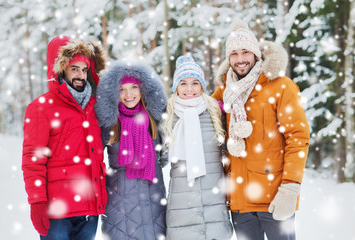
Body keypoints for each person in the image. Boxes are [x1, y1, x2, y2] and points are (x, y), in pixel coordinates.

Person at [212, 20, 310, 240]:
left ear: (256, 53)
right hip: (239, 202)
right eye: (234, 54)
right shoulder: (224, 91)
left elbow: (298, 138)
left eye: (245, 52)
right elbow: (199, 113)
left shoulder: (281, 86)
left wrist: (290, 188)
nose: (240, 59)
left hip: (274, 198)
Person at [22, 35, 107, 240]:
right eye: (74, 68)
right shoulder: (41, 108)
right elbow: (33, 160)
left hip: (90, 211)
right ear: (60, 69)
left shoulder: (96, 107)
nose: (80, 75)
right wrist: (37, 202)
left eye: (84, 69)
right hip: (57, 212)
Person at [95, 60, 168, 239]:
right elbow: (93, 157)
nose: (129, 93)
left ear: (143, 89)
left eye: (134, 87)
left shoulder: (155, 120)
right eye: (122, 89)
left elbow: (166, 156)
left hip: (153, 203)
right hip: (120, 208)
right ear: (114, 93)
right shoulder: (110, 123)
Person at [163, 55, 233, 240]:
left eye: (195, 83)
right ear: (176, 86)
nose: (189, 89)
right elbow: (159, 158)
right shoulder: (168, 115)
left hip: (214, 205)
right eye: (183, 83)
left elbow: (226, 153)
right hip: (182, 207)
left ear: (202, 85)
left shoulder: (214, 112)